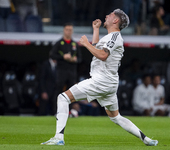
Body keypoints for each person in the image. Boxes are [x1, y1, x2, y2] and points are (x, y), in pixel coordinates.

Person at [41, 9, 158, 146]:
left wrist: (85, 44)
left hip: (102, 81)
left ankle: (58, 137)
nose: (107, 16)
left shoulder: (115, 37)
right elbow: (97, 50)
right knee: (116, 117)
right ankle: (146, 139)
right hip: (108, 83)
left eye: (110, 15)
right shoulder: (109, 37)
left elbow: (103, 55)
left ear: (115, 21)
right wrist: (95, 30)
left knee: (63, 97)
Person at [49, 23, 81, 115]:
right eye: (67, 30)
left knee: (71, 92)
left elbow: (80, 58)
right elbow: (52, 55)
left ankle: (69, 111)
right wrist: (63, 57)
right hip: (61, 71)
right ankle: (56, 111)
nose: (68, 32)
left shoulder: (74, 44)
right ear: (64, 30)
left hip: (72, 72)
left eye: (70, 30)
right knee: (58, 91)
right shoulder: (59, 43)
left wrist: (75, 59)